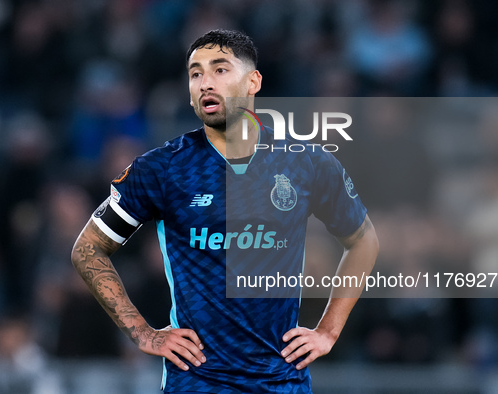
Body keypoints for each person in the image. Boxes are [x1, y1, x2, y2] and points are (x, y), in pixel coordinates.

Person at [71, 29, 379, 393]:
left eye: (219, 70)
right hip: (197, 380)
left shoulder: (306, 163)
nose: (204, 83)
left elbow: (363, 241)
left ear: (253, 81)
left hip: (282, 381)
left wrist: (328, 331)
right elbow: (87, 248)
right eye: (195, 73)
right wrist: (143, 333)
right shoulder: (162, 169)